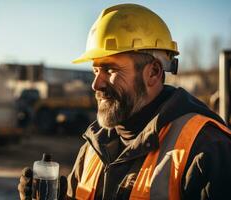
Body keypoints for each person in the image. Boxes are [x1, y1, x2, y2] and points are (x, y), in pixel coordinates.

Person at [18, 3, 231, 200]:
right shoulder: (93, 148)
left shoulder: (207, 149)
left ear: (153, 73)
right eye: (95, 70)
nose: (95, 84)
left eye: (110, 69)